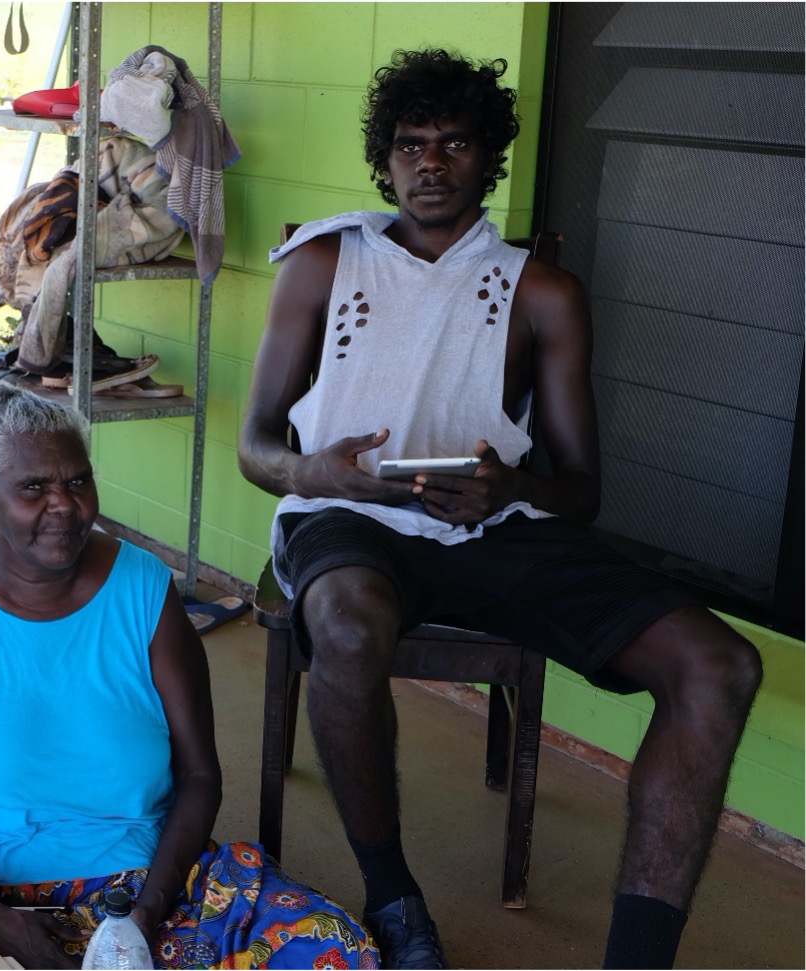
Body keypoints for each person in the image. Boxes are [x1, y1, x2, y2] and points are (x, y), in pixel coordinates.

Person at [237, 49, 762, 970]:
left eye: (455, 143)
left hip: (492, 524)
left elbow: (580, 488)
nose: (430, 162)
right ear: (384, 160)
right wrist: (317, 473)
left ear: (489, 159)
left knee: (719, 666)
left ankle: (637, 960)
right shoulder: (323, 262)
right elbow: (255, 449)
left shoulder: (542, 291)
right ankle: (395, 899)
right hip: (347, 518)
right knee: (350, 630)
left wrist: (508, 487)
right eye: (410, 145)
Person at [0, 384, 377, 970]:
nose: (63, 505)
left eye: (76, 481)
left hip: (144, 891)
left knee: (336, 950)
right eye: (33, 488)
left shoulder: (145, 592)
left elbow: (199, 774)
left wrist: (142, 919)